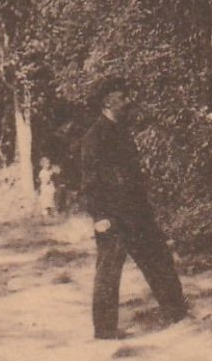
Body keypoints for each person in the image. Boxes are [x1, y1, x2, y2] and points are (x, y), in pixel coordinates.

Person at [80, 76, 190, 339]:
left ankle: (177, 314)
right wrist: (100, 216)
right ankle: (105, 330)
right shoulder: (93, 138)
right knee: (108, 272)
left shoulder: (122, 131)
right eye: (122, 97)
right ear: (108, 102)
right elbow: (90, 182)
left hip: (137, 213)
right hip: (112, 218)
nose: (128, 101)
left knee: (159, 260)